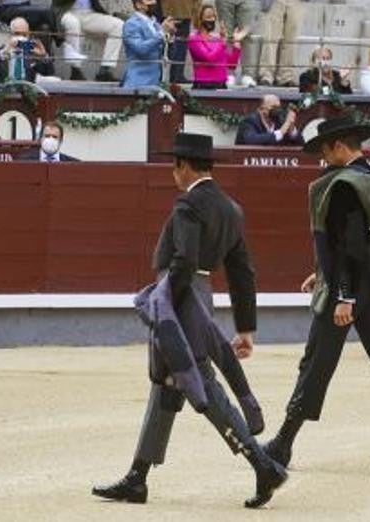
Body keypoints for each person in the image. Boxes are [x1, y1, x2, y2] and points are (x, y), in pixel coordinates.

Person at [91, 132, 287, 509]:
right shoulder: (231, 208)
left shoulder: (188, 205)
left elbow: (182, 261)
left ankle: (263, 464)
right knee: (166, 384)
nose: (172, 173)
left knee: (201, 383)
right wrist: (246, 328)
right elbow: (242, 271)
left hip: (181, 301)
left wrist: (164, 304)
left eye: (174, 165)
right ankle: (138, 477)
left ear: (183, 166)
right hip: (201, 296)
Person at [264, 114, 370, 473]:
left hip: (350, 292)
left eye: (324, 152)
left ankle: (282, 444)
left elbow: (350, 245)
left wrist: (343, 294)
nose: (322, 160)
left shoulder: (343, 184)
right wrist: (323, 274)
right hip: (369, 286)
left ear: (340, 147)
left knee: (316, 364)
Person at [121, 0, 175, 88]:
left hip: (156, 82)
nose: (154, 2)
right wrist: (162, 33)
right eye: (150, 0)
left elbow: (167, 53)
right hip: (138, 82)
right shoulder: (131, 24)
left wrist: (170, 36)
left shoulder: (156, 24)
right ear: (138, 5)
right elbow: (140, 49)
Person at [0, 17, 56, 83]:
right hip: (3, 95)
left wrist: (44, 56)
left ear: (28, 35)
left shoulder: (33, 53)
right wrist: (3, 52)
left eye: (24, 35)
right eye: (17, 34)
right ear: (10, 34)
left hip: (26, 94)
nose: (20, 38)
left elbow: (48, 73)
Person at [189, 4, 247, 89]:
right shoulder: (194, 39)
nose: (212, 19)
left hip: (221, 84)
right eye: (208, 17)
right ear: (200, 19)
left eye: (214, 17)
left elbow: (231, 65)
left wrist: (236, 46)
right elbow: (209, 59)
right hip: (204, 85)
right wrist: (222, 42)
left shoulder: (216, 39)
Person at [235, 94, 301, 145]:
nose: (277, 110)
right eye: (273, 107)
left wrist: (291, 129)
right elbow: (251, 140)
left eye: (278, 107)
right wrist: (281, 132)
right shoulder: (249, 121)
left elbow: (301, 143)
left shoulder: (280, 120)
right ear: (261, 109)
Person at [16, 120, 80, 161]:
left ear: (60, 141)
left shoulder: (73, 163)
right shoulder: (24, 161)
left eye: (55, 137)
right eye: (47, 136)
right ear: (41, 139)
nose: (50, 139)